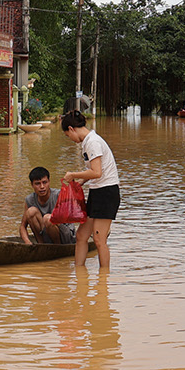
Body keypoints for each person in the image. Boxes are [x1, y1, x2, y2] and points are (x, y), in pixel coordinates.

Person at [59, 111, 119, 270]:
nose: (70, 140)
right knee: (81, 236)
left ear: (71, 129)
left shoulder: (92, 142)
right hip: (97, 191)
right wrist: (80, 182)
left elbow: (97, 172)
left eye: (67, 136)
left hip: (106, 193)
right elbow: (94, 172)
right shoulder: (87, 142)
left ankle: (103, 281)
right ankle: (79, 274)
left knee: (99, 241)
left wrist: (73, 175)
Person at [20, 166, 77, 246]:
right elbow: (23, 226)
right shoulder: (30, 199)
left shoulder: (59, 195)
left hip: (65, 235)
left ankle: (58, 247)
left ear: (49, 182)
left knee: (48, 219)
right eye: (37, 184)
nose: (42, 187)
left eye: (44, 182)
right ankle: (41, 244)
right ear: (32, 185)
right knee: (30, 212)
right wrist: (27, 242)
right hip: (46, 233)